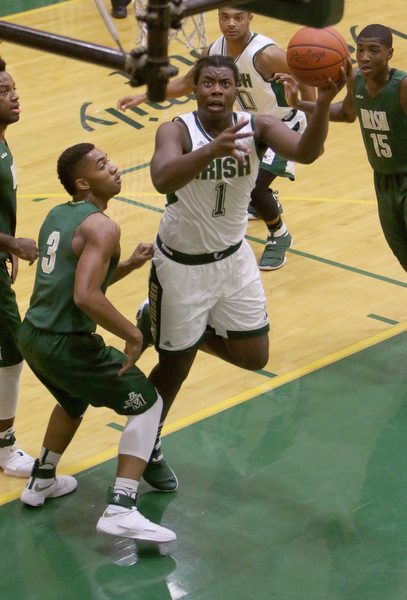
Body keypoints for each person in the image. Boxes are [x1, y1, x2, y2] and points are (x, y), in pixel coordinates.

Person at [136, 54, 344, 493]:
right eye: (207, 83)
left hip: (233, 260)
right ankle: (149, 444)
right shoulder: (175, 129)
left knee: (255, 358)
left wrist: (322, 102)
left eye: (224, 83)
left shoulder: (260, 126)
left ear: (235, 90)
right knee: (174, 369)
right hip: (182, 266)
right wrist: (213, 148)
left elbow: (307, 153)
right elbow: (160, 178)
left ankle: (163, 326)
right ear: (195, 89)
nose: (215, 90)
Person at [18, 143, 176, 543]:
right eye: (103, 165)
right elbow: (86, 297)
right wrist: (134, 333)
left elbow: (79, 282)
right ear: (84, 182)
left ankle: (42, 480)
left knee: (72, 400)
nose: (115, 168)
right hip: (66, 343)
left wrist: (127, 265)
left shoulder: (59, 214)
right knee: (149, 401)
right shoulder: (104, 227)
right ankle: (121, 506)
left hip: (33, 336)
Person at [117, 7, 317, 271]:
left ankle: (279, 234)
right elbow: (188, 82)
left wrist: (313, 119)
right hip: (248, 126)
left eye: (238, 17)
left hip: (281, 126)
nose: (231, 24)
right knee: (239, 181)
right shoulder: (214, 51)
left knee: (255, 188)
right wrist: (147, 94)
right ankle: (263, 204)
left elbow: (305, 80)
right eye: (224, 17)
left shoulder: (267, 54)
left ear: (250, 18)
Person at [279, 24, 407, 274]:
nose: (365, 57)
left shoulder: (403, 87)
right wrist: (298, 103)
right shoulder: (355, 80)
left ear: (389, 53)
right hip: (383, 181)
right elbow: (347, 113)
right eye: (359, 50)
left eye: (374, 50)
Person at [0, 57, 39, 478]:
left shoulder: (3, 139)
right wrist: (11, 242)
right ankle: (5, 450)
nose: (14, 96)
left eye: (13, 89)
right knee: (13, 352)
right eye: (2, 92)